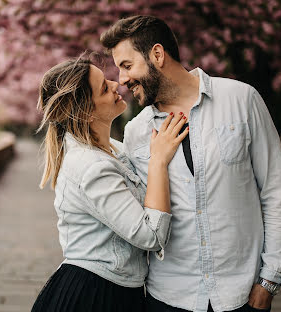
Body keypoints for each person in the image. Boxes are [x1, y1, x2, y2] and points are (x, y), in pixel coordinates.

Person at [100, 15, 281, 312]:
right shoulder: (136, 132)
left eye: (127, 66)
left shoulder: (242, 100)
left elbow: (276, 193)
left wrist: (268, 282)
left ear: (157, 54)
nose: (122, 79)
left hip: (241, 296)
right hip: (167, 297)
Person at [31, 57, 190, 312]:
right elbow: (150, 236)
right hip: (95, 296)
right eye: (104, 88)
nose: (116, 84)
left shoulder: (114, 150)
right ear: (86, 111)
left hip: (117, 289)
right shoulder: (90, 166)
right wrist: (158, 160)